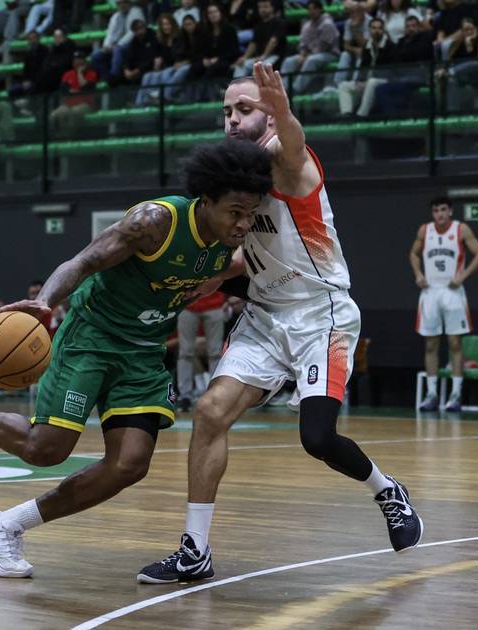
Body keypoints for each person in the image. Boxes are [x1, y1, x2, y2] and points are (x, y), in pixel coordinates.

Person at [0, 140, 273, 579]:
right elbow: (83, 262)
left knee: (129, 465)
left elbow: (238, 262)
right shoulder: (155, 222)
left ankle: (4, 526)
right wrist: (44, 302)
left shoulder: (234, 241)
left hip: (142, 351)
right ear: (206, 201)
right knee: (45, 450)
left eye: (251, 214)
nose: (243, 223)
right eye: (235, 212)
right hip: (93, 336)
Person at [138, 64, 424, 585]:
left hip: (322, 315)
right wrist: (213, 277)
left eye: (244, 109)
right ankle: (195, 550)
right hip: (266, 316)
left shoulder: (289, 163)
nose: (231, 119)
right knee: (208, 412)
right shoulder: (237, 180)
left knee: (316, 438)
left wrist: (285, 113)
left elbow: (292, 142)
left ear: (268, 113)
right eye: (225, 111)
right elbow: (259, 253)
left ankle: (388, 491)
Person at [410, 196, 478, 412]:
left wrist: (462, 276)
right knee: (431, 344)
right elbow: (413, 254)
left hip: (452, 292)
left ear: (450, 211)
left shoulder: (461, 229)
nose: (440, 214)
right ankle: (432, 394)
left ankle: (455, 394)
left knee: (455, 343)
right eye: (436, 210)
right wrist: (418, 274)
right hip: (430, 291)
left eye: (443, 209)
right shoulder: (425, 231)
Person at [175, 290, 226, 412]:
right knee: (185, 352)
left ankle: (216, 393)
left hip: (215, 303)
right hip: (187, 304)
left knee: (215, 352)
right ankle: (185, 396)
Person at [337, 17, 396, 117]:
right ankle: (347, 113)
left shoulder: (390, 46)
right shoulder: (367, 47)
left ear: (383, 30)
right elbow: (363, 66)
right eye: (374, 28)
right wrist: (360, 80)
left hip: (385, 80)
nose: (376, 31)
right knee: (343, 85)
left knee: (372, 82)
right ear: (369, 29)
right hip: (367, 81)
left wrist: (368, 80)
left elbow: (391, 69)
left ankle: (361, 114)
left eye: (379, 28)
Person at [280, 1, 340, 94]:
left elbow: (324, 47)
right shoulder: (307, 25)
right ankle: (284, 88)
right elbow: (304, 45)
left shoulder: (327, 24)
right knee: (289, 61)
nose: (312, 12)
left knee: (311, 60)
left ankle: (296, 89)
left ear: (320, 9)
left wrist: (306, 56)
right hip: (310, 54)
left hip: (329, 54)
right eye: (310, 9)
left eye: (314, 9)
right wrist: (302, 55)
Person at [232, 0, 287, 79]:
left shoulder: (279, 23)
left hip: (274, 56)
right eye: (260, 7)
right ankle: (237, 89)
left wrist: (264, 55)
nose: (262, 9)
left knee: (258, 68)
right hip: (260, 57)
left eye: (265, 6)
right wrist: (244, 57)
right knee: (241, 65)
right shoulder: (258, 25)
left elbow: (273, 41)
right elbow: (253, 43)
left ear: (272, 8)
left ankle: (256, 90)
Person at [50, 50, 100, 135]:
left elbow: (85, 88)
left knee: (74, 112)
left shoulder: (92, 74)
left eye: (80, 59)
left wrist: (80, 73)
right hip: (68, 105)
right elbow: (63, 90)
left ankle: (68, 137)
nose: (77, 62)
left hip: (86, 105)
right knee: (54, 115)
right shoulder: (67, 74)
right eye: (75, 60)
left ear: (84, 62)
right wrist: (73, 91)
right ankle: (55, 138)